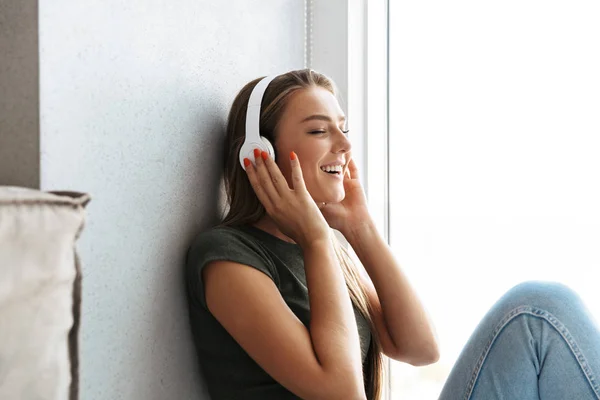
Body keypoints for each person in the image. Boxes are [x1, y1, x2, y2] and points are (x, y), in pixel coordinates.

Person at [185, 69, 600, 400]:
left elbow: (420, 348)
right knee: (539, 313)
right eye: (318, 130)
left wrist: (359, 228)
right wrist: (315, 238)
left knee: (543, 307)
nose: (345, 145)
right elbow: (341, 392)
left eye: (343, 128)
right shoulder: (226, 257)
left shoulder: (327, 250)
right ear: (260, 154)